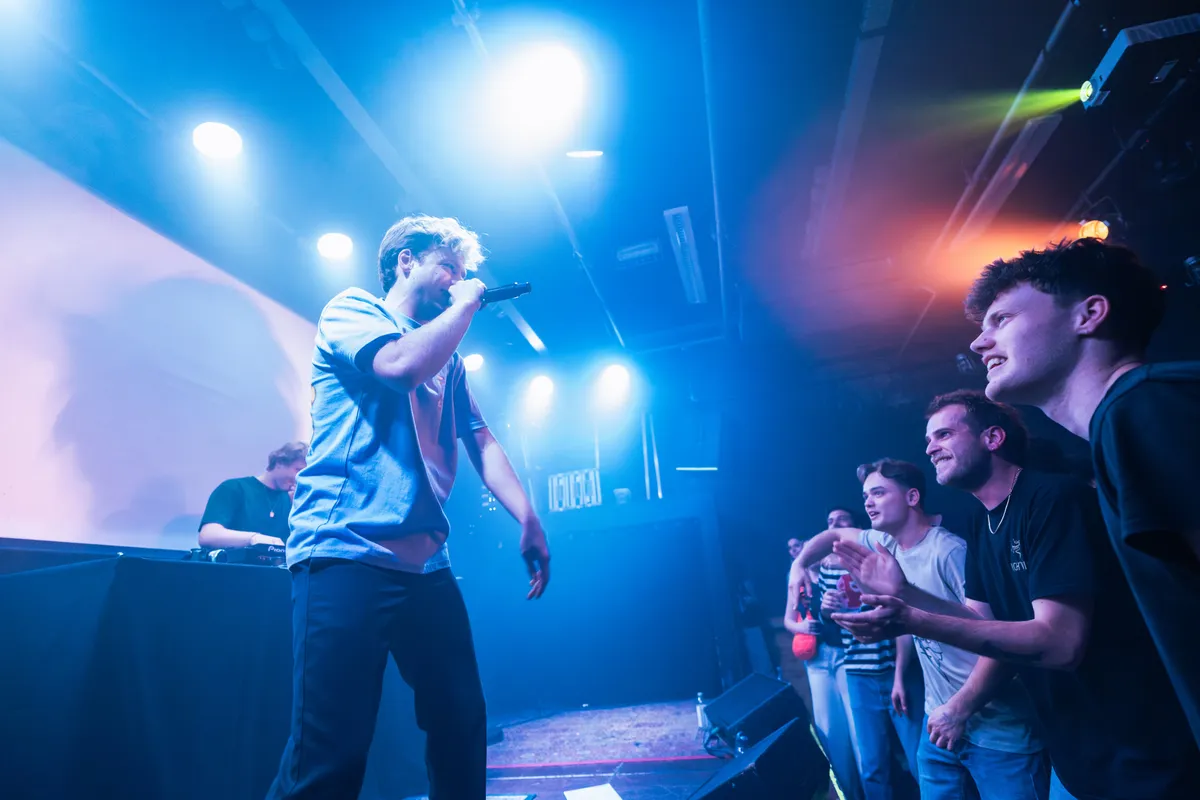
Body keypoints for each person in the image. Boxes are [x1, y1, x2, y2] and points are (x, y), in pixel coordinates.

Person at [267, 215, 551, 800]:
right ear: (406, 261)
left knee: (460, 719)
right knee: (330, 752)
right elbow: (398, 367)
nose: (459, 282)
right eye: (449, 267)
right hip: (344, 551)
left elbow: (481, 438)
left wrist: (528, 516)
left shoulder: (450, 357)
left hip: (424, 564)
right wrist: (466, 306)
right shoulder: (352, 309)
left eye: (465, 274)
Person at [831, 390, 1200, 800]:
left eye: (944, 434)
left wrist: (913, 621)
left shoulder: (1053, 499)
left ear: (992, 438)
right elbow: (981, 624)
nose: (930, 448)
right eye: (929, 439)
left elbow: (1062, 643)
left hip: (1135, 742)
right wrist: (906, 593)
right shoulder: (981, 521)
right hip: (1071, 743)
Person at [965, 238, 1200, 747]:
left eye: (1002, 319)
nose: (979, 343)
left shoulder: (1144, 407)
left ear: (1089, 315)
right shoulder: (1129, 418)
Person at [826, 459, 1047, 800]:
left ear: (912, 497)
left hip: (996, 729)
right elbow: (835, 535)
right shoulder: (890, 548)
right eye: (865, 495)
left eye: (878, 493)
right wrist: (799, 567)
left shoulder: (949, 551)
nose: (867, 502)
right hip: (937, 722)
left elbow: (1000, 638)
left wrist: (959, 709)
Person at [799, 506, 923, 800]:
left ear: (854, 526)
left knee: (920, 760)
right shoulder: (827, 569)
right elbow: (832, 624)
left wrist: (900, 677)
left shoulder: (878, 559)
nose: (835, 525)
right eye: (829, 521)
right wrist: (825, 611)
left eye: (841, 520)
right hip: (857, 672)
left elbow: (903, 620)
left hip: (894, 670)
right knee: (872, 765)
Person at [785, 509, 864, 800]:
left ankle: (870, 792)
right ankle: (849, 794)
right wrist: (801, 626)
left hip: (846, 654)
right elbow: (788, 619)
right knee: (829, 730)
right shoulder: (799, 579)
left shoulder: (840, 569)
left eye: (804, 546)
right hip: (818, 661)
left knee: (859, 730)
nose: (801, 552)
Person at [197, 441, 307, 549]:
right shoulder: (234, 488)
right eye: (298, 470)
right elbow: (207, 536)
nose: (299, 478)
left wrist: (300, 510)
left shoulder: (293, 500)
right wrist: (254, 539)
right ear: (279, 463)